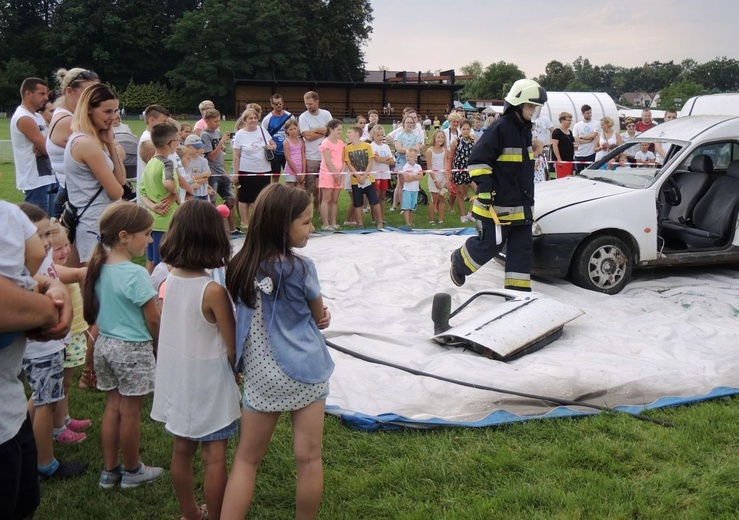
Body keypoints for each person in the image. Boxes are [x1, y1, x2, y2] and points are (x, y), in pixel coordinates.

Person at [221, 184, 333, 519]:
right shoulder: (302, 268)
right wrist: (322, 316)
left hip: (260, 374)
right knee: (309, 458)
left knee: (246, 459)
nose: (311, 229)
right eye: (306, 222)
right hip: (306, 372)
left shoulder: (238, 265)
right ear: (282, 226)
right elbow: (319, 315)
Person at [151, 200, 240, 520]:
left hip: (178, 379)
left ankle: (190, 513)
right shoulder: (212, 290)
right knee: (215, 459)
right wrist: (239, 372)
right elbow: (233, 347)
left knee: (182, 451)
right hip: (209, 385)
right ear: (214, 239)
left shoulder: (168, 279)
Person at [83, 202, 165, 489]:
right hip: (132, 350)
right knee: (130, 413)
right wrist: (161, 345)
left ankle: (110, 471)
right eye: (147, 233)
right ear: (123, 236)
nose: (151, 240)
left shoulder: (97, 267)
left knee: (113, 408)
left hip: (106, 345)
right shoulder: (135, 274)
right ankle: (132, 471)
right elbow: (153, 319)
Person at [0, 199, 73, 519]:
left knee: (23, 504)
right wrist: (48, 311)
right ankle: (48, 461)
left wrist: (50, 286)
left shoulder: (8, 216)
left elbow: (38, 275)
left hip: (10, 413)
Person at [450, 78, 548, 291]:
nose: (533, 111)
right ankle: (460, 261)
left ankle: (517, 295)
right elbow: (477, 160)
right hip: (496, 205)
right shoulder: (500, 128)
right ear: (518, 104)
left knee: (521, 250)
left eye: (535, 107)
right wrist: (485, 189)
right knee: (490, 245)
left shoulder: (525, 131)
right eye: (531, 106)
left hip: (521, 207)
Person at [17, 203, 89, 480]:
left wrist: (79, 273)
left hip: (49, 347)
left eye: (49, 234)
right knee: (46, 403)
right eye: (39, 236)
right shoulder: (21, 268)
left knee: (41, 399)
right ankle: (45, 463)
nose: (47, 242)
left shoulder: (40, 259)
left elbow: (54, 275)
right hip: (41, 349)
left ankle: (26, 446)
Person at [64, 83, 127, 265]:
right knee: (95, 286)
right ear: (89, 109)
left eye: (116, 111)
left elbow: (121, 179)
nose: (113, 117)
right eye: (107, 111)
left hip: (97, 221)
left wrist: (109, 144)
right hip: (93, 224)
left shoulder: (90, 140)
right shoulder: (86, 143)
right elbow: (116, 192)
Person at [138, 121, 182, 272]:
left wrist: (153, 206)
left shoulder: (150, 163)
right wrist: (174, 193)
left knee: (152, 262)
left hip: (152, 221)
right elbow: (168, 183)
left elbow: (142, 193)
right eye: (177, 141)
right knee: (165, 266)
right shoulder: (167, 163)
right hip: (167, 223)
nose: (179, 143)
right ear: (170, 143)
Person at [11, 77, 56, 215]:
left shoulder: (38, 117)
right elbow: (47, 148)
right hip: (34, 181)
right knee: (38, 228)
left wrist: (46, 146)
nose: (46, 97)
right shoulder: (24, 118)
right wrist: (46, 147)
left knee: (50, 225)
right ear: (28, 94)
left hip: (48, 177)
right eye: (41, 94)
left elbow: (50, 144)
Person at [233, 108, 275, 228]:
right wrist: (236, 173)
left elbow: (274, 144)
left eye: (255, 118)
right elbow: (236, 155)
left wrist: (271, 147)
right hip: (246, 169)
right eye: (250, 118)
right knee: (245, 197)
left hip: (264, 169)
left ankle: (259, 221)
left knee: (261, 197)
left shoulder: (262, 130)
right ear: (245, 120)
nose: (253, 120)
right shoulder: (240, 134)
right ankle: (245, 222)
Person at [201, 108, 239, 235]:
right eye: (215, 121)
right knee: (211, 202)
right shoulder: (204, 135)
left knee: (230, 199)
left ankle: (232, 229)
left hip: (221, 172)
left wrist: (221, 146)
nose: (218, 123)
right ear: (207, 120)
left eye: (219, 121)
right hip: (212, 174)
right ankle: (214, 230)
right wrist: (221, 142)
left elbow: (219, 154)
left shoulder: (217, 132)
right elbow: (210, 157)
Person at [299, 91, 333, 208]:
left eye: (311, 104)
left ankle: (319, 207)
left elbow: (330, 132)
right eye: (306, 104)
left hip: (325, 156)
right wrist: (322, 132)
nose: (308, 106)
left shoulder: (326, 114)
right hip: (311, 157)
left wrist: (314, 130)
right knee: (309, 186)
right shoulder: (303, 117)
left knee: (323, 185)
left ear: (317, 102)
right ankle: (308, 208)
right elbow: (307, 137)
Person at [344, 125, 381, 229]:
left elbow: (370, 161)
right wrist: (357, 176)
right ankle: (360, 224)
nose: (347, 134)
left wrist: (365, 175)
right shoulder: (347, 148)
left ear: (356, 134)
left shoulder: (367, 146)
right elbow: (349, 164)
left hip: (368, 179)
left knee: (374, 201)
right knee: (358, 203)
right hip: (355, 181)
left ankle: (380, 221)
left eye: (349, 132)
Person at [136, 105, 171, 196]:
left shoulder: (152, 137)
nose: (166, 125)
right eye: (163, 121)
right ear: (152, 120)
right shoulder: (149, 140)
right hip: (152, 191)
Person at [317, 119, 345, 231]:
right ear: (331, 129)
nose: (340, 131)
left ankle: (333, 223)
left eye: (341, 129)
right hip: (328, 174)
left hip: (338, 174)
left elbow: (343, 160)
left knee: (335, 199)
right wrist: (335, 174)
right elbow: (328, 161)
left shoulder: (341, 143)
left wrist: (340, 173)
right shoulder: (325, 143)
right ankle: (325, 224)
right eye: (338, 129)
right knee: (326, 199)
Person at [391, 115, 423, 212]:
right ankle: (401, 206)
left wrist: (408, 150)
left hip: (412, 163)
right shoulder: (399, 135)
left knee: (410, 182)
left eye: (411, 123)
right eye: (407, 122)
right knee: (401, 184)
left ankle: (407, 204)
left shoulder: (416, 136)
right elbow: (398, 149)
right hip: (401, 161)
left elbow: (417, 149)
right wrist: (410, 150)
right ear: (403, 123)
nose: (409, 124)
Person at [262, 93, 293, 184]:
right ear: (271, 105)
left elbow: (295, 133)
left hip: (289, 152)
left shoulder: (290, 117)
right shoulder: (267, 119)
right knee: (275, 177)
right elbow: (264, 135)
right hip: (275, 153)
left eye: (280, 103)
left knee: (290, 177)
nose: (278, 106)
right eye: (276, 104)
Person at [449, 119, 476, 222]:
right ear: (460, 129)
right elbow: (451, 157)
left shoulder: (473, 139)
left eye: (468, 129)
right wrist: (450, 171)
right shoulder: (456, 141)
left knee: (477, 190)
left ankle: (470, 213)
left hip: (470, 170)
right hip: (458, 170)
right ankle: (462, 215)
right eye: (463, 129)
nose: (466, 131)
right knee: (459, 192)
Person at [369, 124, 395, 225]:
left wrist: (383, 159)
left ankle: (382, 216)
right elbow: (376, 159)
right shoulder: (371, 146)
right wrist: (386, 159)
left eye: (382, 135)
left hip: (385, 174)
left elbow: (392, 161)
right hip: (375, 175)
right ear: (373, 135)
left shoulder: (386, 146)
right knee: (375, 195)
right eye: (378, 135)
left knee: (383, 196)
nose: (380, 137)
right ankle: (374, 218)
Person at [426, 130, 448, 225]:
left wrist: (447, 179)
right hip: (433, 178)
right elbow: (429, 167)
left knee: (442, 198)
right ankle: (431, 220)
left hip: (442, 177)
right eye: (438, 137)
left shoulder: (444, 151)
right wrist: (435, 180)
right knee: (434, 199)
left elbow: (445, 165)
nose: (440, 139)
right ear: (434, 138)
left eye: (442, 137)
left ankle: (441, 219)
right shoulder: (429, 151)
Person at [400, 148, 424, 228]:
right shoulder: (405, 167)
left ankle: (410, 222)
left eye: (410, 156)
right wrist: (415, 176)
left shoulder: (418, 167)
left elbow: (421, 176)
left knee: (411, 208)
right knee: (407, 208)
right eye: (407, 156)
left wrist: (412, 176)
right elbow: (406, 179)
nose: (408, 158)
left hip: (415, 189)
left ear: (415, 158)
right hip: (407, 190)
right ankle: (407, 223)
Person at [183, 134, 212, 201]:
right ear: (187, 147)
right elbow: (186, 179)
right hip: (190, 193)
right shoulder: (185, 161)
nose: (199, 149)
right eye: (196, 147)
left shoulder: (203, 161)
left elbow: (205, 179)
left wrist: (192, 180)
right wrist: (203, 175)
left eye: (200, 147)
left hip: (203, 193)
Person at [572, 104, 600, 173]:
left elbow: (593, 135)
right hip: (579, 154)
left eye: (590, 112)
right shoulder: (577, 125)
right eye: (587, 113)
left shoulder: (596, 123)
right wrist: (588, 141)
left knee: (591, 174)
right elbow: (575, 139)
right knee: (579, 174)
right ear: (583, 113)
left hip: (591, 154)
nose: (589, 114)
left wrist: (582, 137)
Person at [283, 119, 306, 189]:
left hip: (300, 168)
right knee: (290, 189)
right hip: (291, 169)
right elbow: (288, 158)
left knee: (300, 190)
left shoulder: (301, 141)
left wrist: (303, 172)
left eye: (294, 128)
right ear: (287, 130)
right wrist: (297, 172)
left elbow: (303, 156)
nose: (293, 131)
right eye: (290, 129)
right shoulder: (286, 142)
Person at [551, 112, 575, 178]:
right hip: (561, 160)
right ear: (562, 120)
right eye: (568, 120)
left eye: (571, 120)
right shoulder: (557, 131)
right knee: (561, 177)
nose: (570, 122)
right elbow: (555, 145)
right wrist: (559, 159)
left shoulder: (570, 132)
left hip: (569, 159)